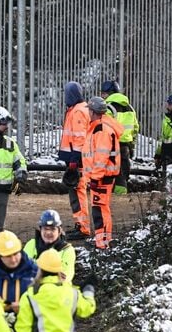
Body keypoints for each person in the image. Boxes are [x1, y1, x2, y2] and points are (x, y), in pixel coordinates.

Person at [82, 97, 121, 249]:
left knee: (100, 210)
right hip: (101, 176)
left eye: (89, 111)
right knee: (99, 209)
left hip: (101, 177)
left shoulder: (101, 130)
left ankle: (103, 244)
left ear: (93, 112)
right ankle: (103, 242)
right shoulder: (99, 127)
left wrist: (94, 177)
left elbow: (101, 157)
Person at [58, 82, 91, 240]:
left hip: (76, 160)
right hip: (76, 158)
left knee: (78, 192)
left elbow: (79, 138)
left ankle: (83, 227)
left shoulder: (78, 111)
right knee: (77, 192)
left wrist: (74, 160)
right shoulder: (79, 109)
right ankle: (80, 225)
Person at [99, 81, 139, 195]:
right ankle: (122, 195)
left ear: (109, 93)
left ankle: (116, 198)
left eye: (103, 94)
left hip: (112, 144)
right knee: (124, 172)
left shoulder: (108, 107)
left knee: (113, 173)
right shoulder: (130, 108)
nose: (102, 96)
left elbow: (104, 128)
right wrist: (132, 143)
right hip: (126, 145)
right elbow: (135, 128)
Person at [22, 210, 76, 282]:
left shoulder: (67, 250)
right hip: (32, 287)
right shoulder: (31, 244)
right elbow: (22, 270)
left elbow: (66, 277)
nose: (48, 233)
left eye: (53, 229)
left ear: (59, 231)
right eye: (45, 229)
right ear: (40, 230)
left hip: (58, 290)